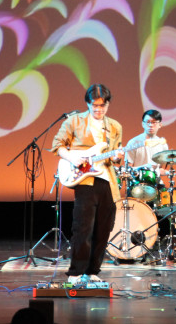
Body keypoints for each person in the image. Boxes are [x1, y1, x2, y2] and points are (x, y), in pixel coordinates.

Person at [50, 83, 123, 284]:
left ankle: (93, 271)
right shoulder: (74, 121)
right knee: (83, 227)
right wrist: (73, 158)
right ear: (88, 104)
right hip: (85, 179)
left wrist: (117, 157)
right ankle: (75, 272)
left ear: (108, 105)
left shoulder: (115, 126)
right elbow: (57, 146)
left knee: (103, 228)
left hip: (107, 180)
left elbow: (114, 156)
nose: (98, 110)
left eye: (102, 106)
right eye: (95, 106)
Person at [123, 109, 169, 195]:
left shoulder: (163, 145)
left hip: (155, 184)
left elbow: (160, 169)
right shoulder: (133, 143)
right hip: (137, 184)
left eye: (154, 122)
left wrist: (167, 172)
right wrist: (144, 167)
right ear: (143, 124)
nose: (151, 125)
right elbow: (127, 169)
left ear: (160, 125)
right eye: (148, 122)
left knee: (167, 198)